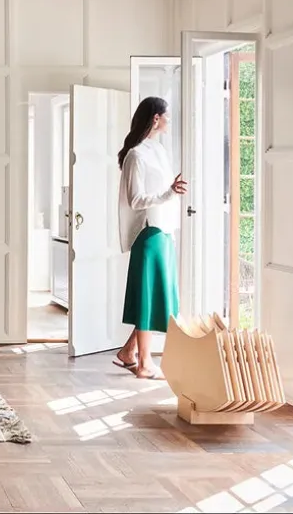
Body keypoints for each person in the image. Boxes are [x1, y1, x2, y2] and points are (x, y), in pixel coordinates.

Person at [113, 96, 186, 380]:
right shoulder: (136, 156)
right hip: (149, 233)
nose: (170, 120)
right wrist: (169, 192)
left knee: (155, 298)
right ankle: (144, 364)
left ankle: (128, 352)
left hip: (163, 231)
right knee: (148, 298)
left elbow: (164, 193)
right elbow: (136, 200)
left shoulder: (158, 151)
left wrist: (171, 194)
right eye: (167, 115)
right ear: (156, 118)